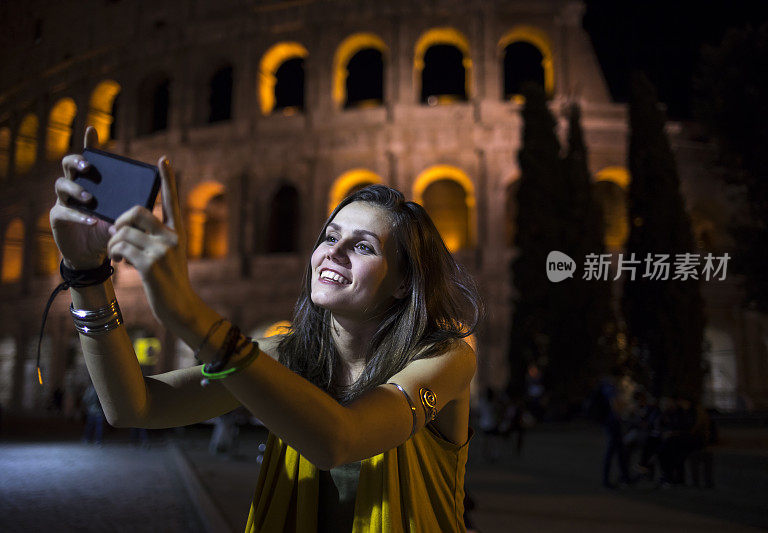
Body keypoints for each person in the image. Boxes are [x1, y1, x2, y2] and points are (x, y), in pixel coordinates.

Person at [49, 126, 483, 531]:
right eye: (330, 238)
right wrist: (87, 276)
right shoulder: (285, 356)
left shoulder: (446, 356)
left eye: (364, 246)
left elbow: (341, 439)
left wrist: (192, 316)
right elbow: (135, 407)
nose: (335, 253)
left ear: (405, 280)